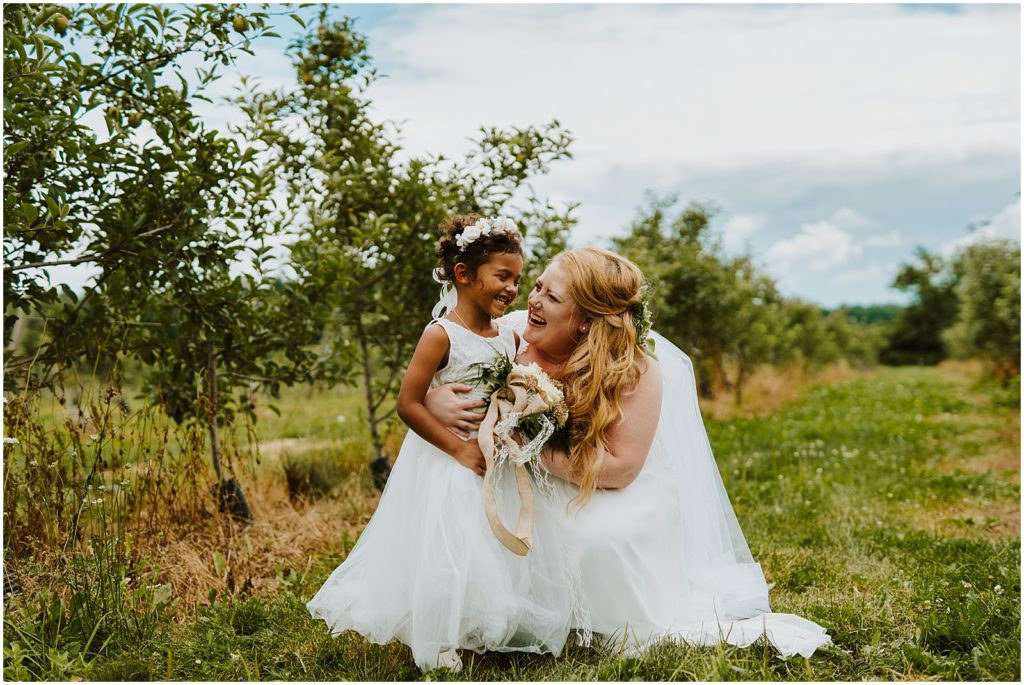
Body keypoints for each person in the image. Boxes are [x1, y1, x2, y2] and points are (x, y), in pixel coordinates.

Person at [425, 246, 832, 659]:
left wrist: (529, 451)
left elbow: (621, 469)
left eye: (552, 298)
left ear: (585, 321)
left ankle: (575, 615)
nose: (531, 301)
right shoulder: (507, 334)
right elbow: (448, 364)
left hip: (600, 484)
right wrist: (433, 399)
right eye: (537, 287)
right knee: (466, 500)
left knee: (599, 541)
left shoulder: (636, 371)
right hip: (517, 475)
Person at [306, 215, 576, 673]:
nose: (512, 288)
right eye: (502, 276)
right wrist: (457, 448)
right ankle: (441, 635)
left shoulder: (509, 336)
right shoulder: (440, 335)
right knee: (450, 545)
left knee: (489, 544)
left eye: (516, 278)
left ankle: (486, 627)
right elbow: (408, 404)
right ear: (463, 275)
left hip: (494, 459)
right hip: (449, 459)